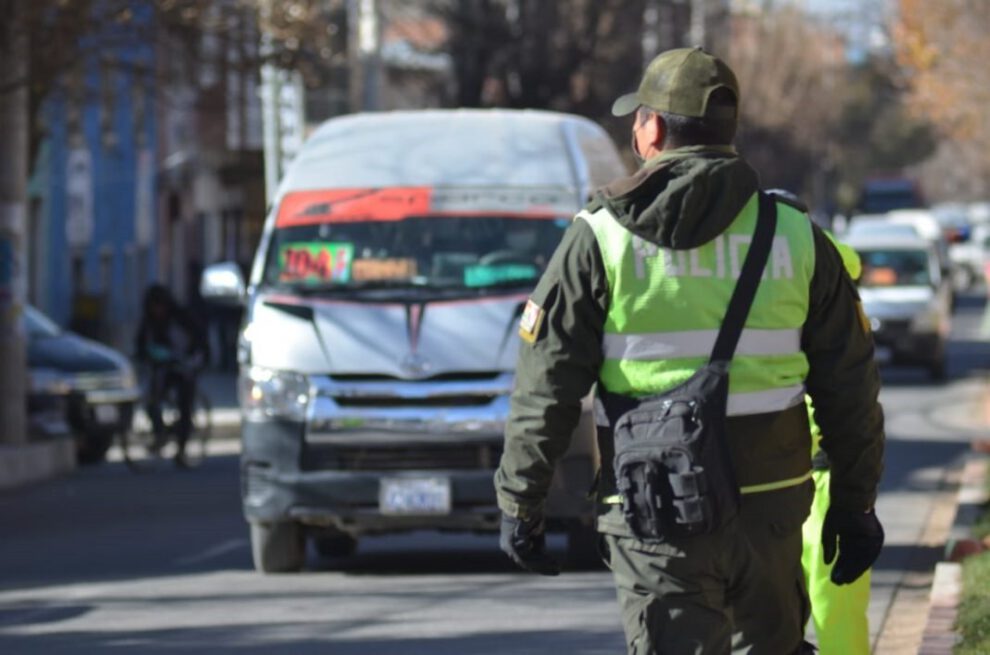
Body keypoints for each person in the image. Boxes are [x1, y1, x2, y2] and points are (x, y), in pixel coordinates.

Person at [494, 47, 885, 654]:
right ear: (729, 130)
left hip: (652, 505)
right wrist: (856, 504)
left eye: (638, 119)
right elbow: (851, 385)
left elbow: (546, 385)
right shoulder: (796, 237)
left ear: (650, 129)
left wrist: (523, 500)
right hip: (771, 504)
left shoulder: (599, 237)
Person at [135, 284, 209, 468]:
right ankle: (159, 434)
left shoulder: (181, 318)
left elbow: (200, 343)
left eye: (159, 306)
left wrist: (191, 360)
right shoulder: (150, 321)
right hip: (166, 368)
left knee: (185, 405)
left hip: (187, 367)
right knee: (152, 400)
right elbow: (141, 343)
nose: (157, 311)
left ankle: (181, 450)